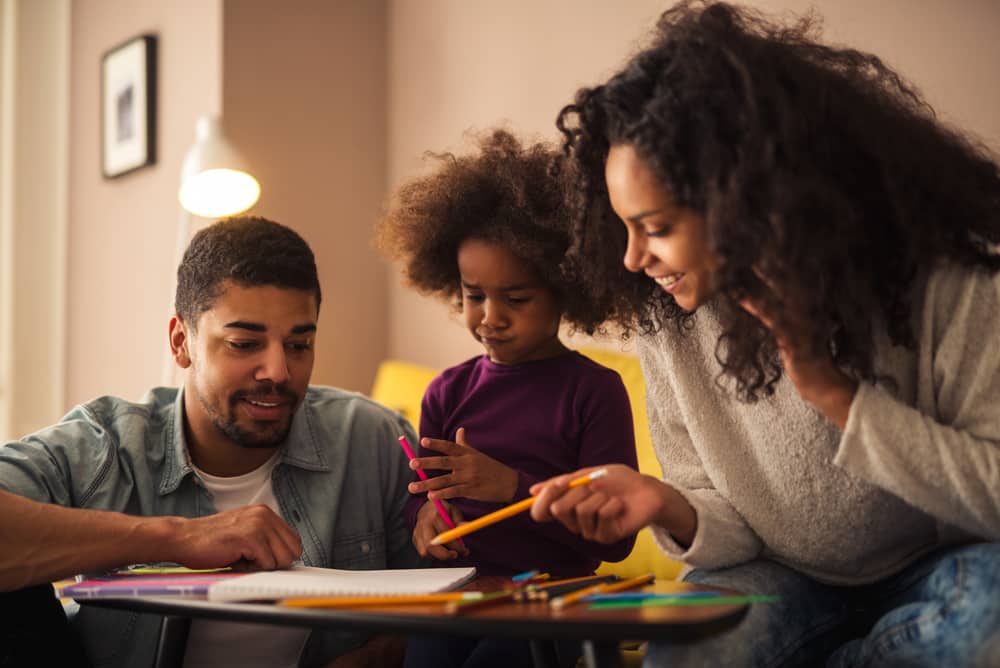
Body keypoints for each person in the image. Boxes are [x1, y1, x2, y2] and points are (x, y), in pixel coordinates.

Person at [528, 2, 1000, 666]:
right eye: (622, 225)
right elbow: (731, 523)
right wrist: (665, 502)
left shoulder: (948, 278)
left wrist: (833, 391)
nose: (632, 258)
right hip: (779, 579)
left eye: (657, 227)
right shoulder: (665, 308)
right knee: (684, 650)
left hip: (945, 566)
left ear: (751, 202)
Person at [0, 216, 421, 668]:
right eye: (244, 344)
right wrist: (176, 538)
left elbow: (452, 605)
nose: (278, 372)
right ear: (182, 342)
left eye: (299, 345)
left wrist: (374, 658)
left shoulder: (374, 438)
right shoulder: (106, 447)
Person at [376, 129, 638, 668]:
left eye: (515, 298)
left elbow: (616, 542)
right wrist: (425, 520)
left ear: (566, 291)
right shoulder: (447, 391)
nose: (489, 317)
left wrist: (512, 488)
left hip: (561, 602)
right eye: (474, 296)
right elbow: (425, 498)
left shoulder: (594, 392)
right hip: (468, 592)